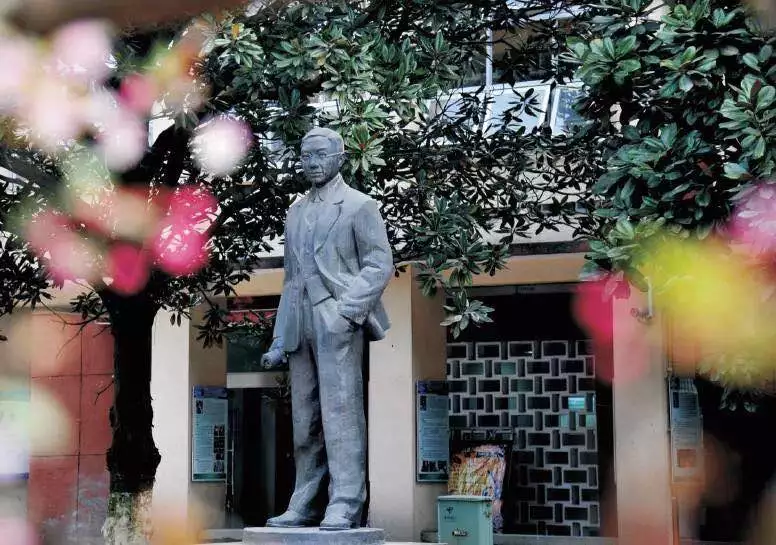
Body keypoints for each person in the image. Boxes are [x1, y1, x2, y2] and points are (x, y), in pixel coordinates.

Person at [261, 127, 393, 531]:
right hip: (301, 319)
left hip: (337, 316)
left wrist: (346, 313)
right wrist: (279, 338)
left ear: (340, 158)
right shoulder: (296, 211)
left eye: (320, 155)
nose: (313, 163)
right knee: (305, 419)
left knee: (341, 413)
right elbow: (291, 278)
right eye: (306, 156)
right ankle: (304, 502)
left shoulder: (359, 205)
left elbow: (379, 264)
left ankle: (346, 502)